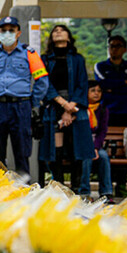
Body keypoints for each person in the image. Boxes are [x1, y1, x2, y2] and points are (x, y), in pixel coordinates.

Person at [0, 16, 49, 176]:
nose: (7, 33)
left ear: (18, 33)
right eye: (4, 30)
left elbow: (42, 81)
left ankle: (23, 192)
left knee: (22, 152)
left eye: (11, 30)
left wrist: (32, 102)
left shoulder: (30, 54)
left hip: (21, 106)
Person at [38, 24, 94, 192]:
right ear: (51, 38)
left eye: (62, 30)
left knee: (78, 150)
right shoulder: (45, 59)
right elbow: (44, 83)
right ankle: (60, 188)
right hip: (55, 105)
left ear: (69, 37)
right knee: (56, 152)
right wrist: (63, 105)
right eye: (55, 31)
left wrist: (71, 107)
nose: (58, 32)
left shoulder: (77, 59)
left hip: (75, 107)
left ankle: (76, 189)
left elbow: (82, 84)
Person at [93, 35, 127, 128]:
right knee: (105, 138)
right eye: (111, 46)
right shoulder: (100, 66)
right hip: (107, 109)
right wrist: (123, 82)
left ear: (124, 49)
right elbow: (102, 84)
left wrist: (112, 88)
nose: (114, 49)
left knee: (126, 139)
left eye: (118, 46)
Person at [80, 80, 114, 201]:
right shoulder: (80, 108)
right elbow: (80, 131)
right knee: (87, 158)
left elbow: (102, 132)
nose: (96, 93)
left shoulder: (103, 110)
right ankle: (84, 192)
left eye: (99, 91)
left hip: (96, 145)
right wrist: (89, 148)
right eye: (93, 90)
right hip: (82, 145)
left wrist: (95, 147)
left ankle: (106, 192)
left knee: (104, 157)